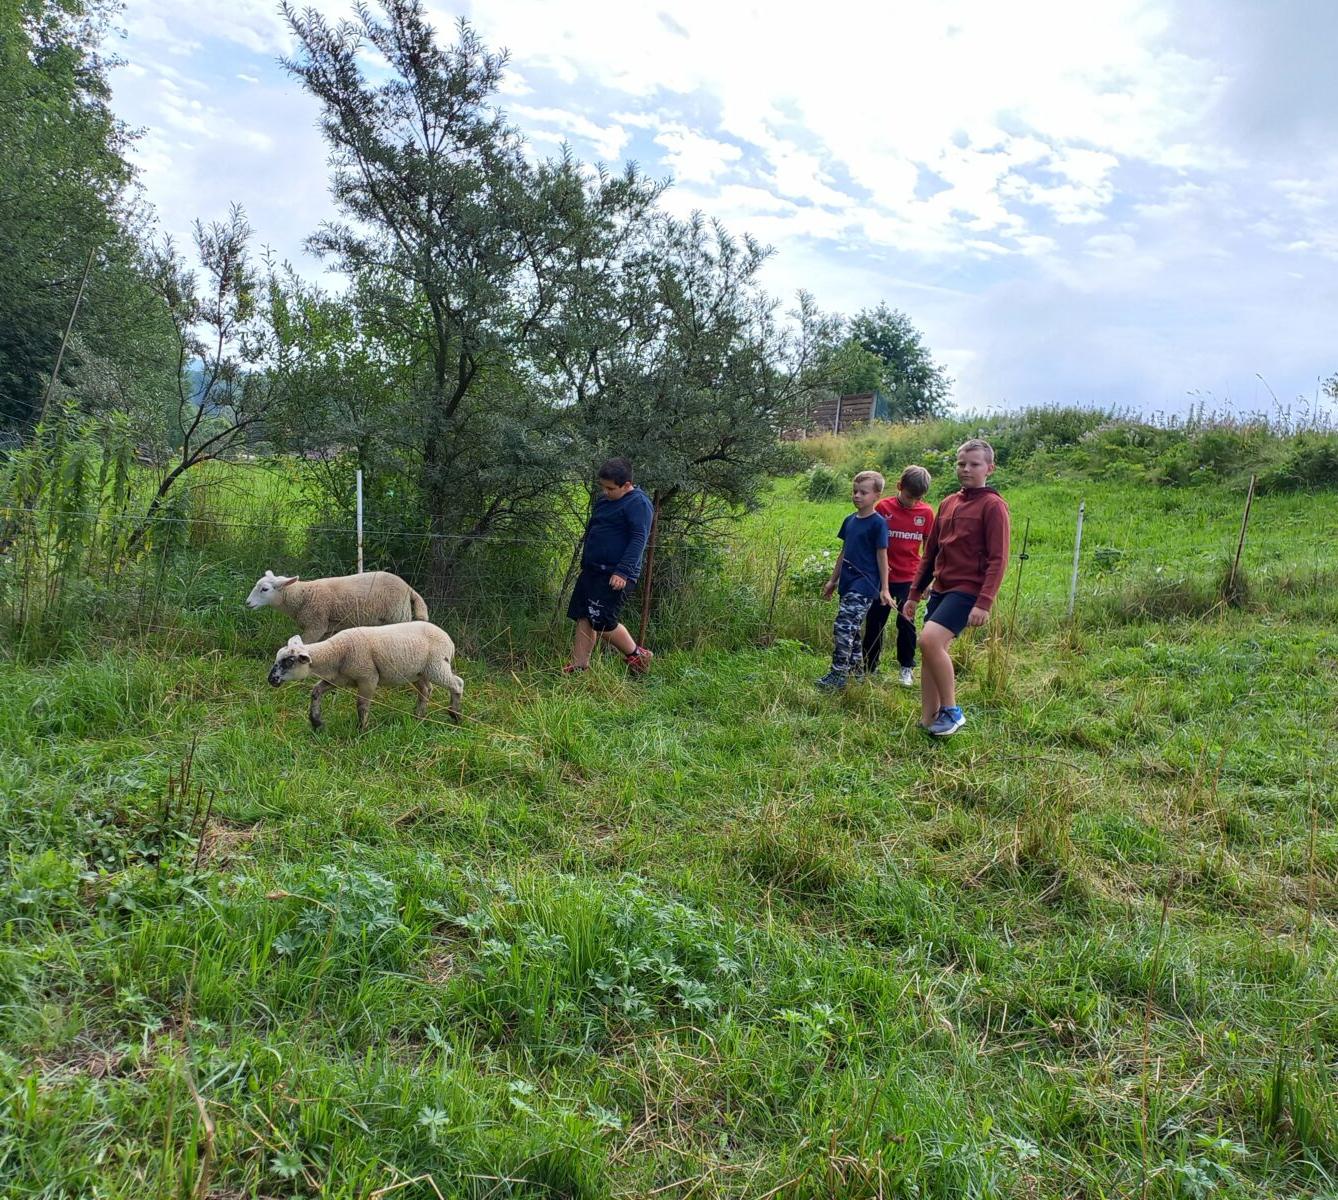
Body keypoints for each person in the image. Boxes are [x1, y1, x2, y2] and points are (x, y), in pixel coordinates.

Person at [902, 440, 1010, 736]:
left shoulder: (993, 506)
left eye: (974, 464)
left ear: (990, 468)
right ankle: (928, 719)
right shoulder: (948, 503)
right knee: (931, 650)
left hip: (969, 590)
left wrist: (984, 602)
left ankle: (951, 711)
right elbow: (931, 552)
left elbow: (999, 559)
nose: (966, 469)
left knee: (929, 641)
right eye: (962, 464)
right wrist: (914, 593)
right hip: (941, 588)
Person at [564, 457, 655, 675]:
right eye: (602, 487)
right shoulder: (604, 501)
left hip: (616, 574)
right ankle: (579, 666)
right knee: (584, 615)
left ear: (626, 485)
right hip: (592, 569)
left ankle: (637, 655)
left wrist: (622, 571)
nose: (606, 492)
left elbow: (638, 539)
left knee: (602, 620)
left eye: (610, 488)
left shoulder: (639, 504)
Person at [816, 470, 893, 691]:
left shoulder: (877, 524)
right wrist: (832, 581)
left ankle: (838, 674)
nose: (857, 496)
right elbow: (844, 552)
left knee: (843, 626)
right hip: (847, 583)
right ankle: (857, 672)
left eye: (863, 492)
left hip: (865, 585)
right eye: (855, 491)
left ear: (876, 495)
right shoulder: (849, 520)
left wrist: (885, 589)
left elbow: (882, 555)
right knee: (852, 629)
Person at [864, 465, 935, 687]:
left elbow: (930, 550)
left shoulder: (926, 513)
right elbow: (871, 541)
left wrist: (927, 582)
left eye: (918, 498)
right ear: (899, 487)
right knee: (875, 622)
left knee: (907, 623)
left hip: (910, 579)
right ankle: (869, 666)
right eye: (909, 496)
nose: (913, 502)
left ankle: (906, 667)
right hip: (882, 577)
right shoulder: (883, 507)